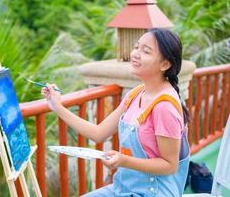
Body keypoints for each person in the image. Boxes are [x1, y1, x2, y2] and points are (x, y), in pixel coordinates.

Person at [41, 28, 190, 197]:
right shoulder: (135, 94)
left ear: (165, 64)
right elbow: (98, 133)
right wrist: (57, 106)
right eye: (136, 47)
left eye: (146, 51)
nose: (135, 54)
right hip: (123, 189)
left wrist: (124, 160)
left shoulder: (164, 107)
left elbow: (170, 165)